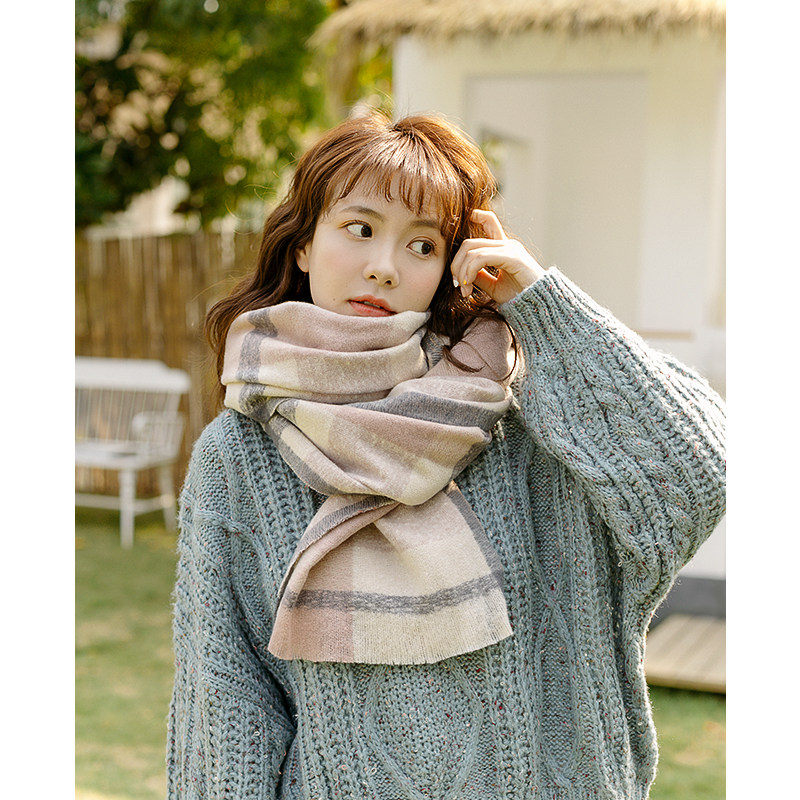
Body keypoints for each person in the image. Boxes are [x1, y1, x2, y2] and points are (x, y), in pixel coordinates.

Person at [167, 111, 726, 799]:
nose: (384, 265)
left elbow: (698, 475)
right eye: (360, 228)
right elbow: (226, 706)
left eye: (422, 245)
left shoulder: (521, 426)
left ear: (449, 268)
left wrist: (544, 307)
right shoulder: (239, 456)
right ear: (304, 243)